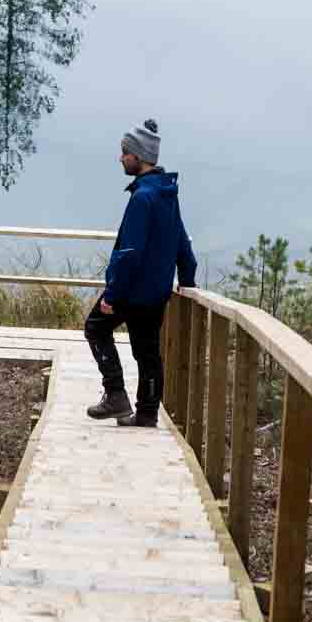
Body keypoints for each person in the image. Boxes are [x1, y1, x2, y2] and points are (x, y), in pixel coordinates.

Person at [85, 118, 197, 428]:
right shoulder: (167, 195)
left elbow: (129, 253)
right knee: (147, 352)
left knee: (95, 328)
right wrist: (187, 281)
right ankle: (147, 414)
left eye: (124, 152)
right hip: (156, 293)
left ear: (138, 156)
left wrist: (112, 294)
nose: (121, 158)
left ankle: (115, 394)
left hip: (132, 292)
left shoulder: (143, 198)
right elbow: (182, 244)